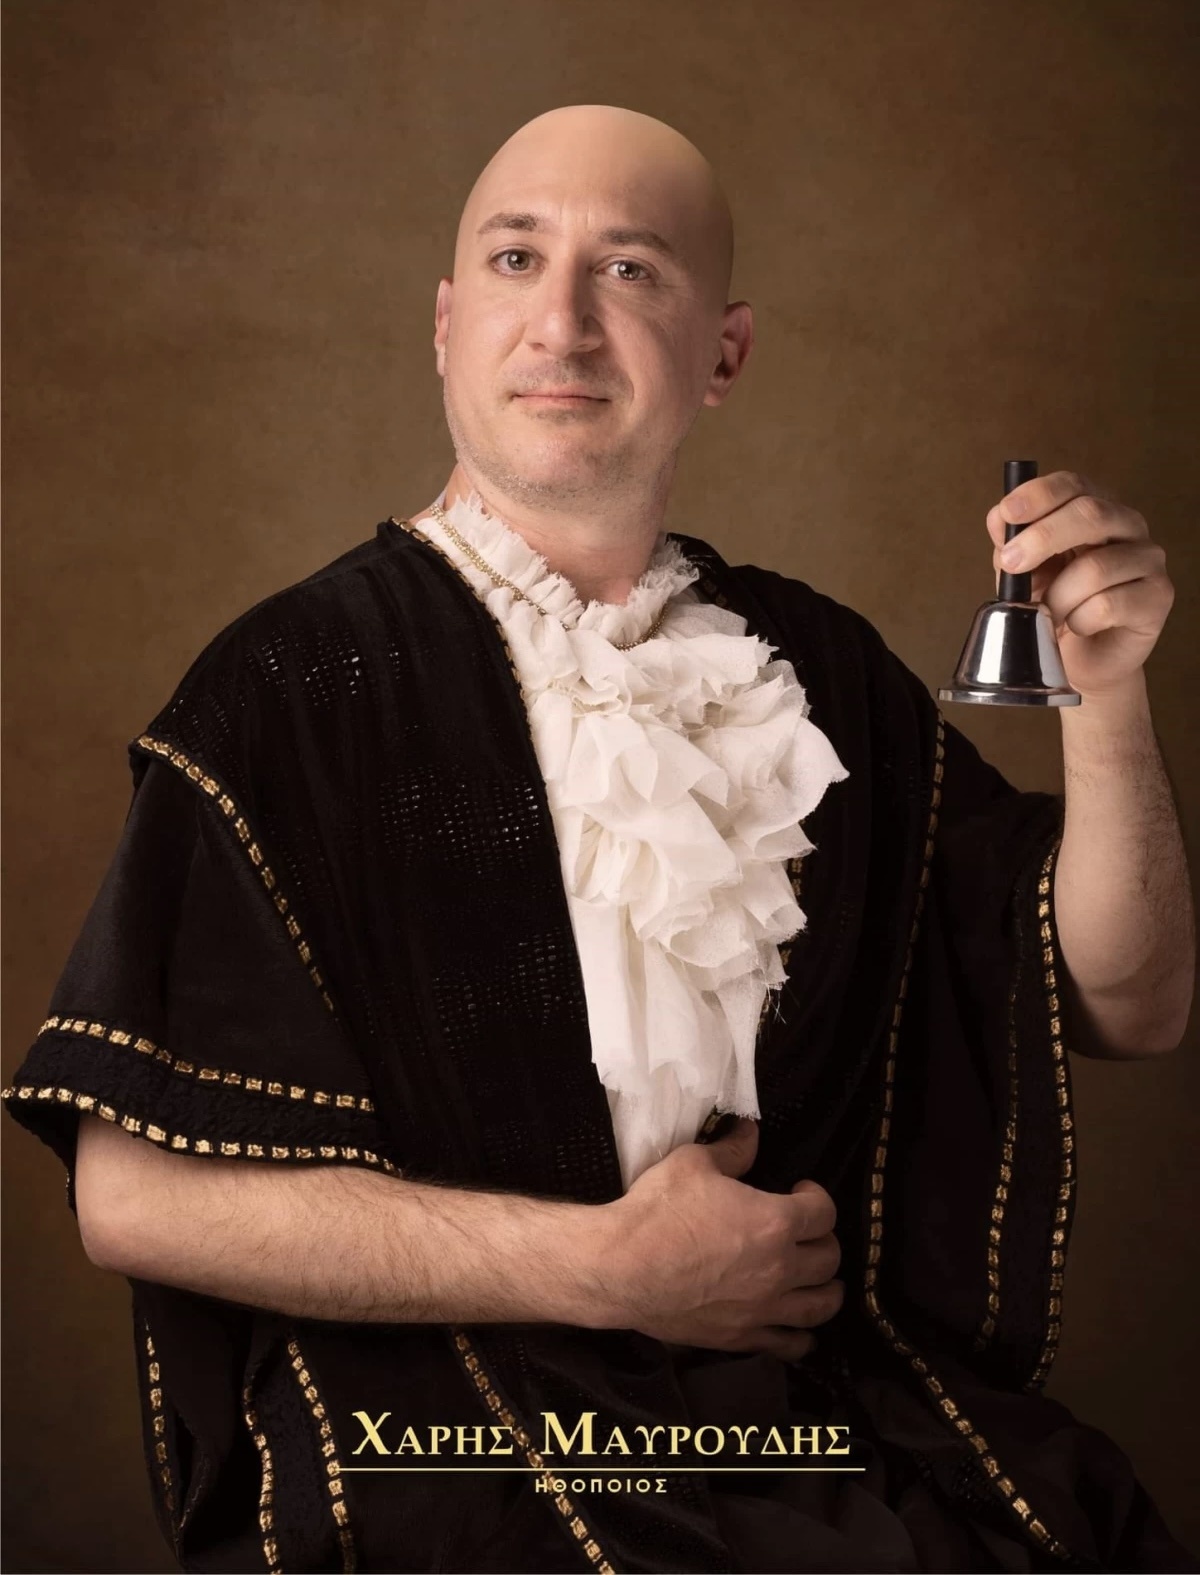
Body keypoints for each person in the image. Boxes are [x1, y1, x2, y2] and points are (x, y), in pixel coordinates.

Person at [3, 103, 1194, 1575]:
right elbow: (131, 1195)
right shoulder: (288, 687)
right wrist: (602, 1271)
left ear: (725, 354)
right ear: (448, 325)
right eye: (516, 260)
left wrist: (1110, 698)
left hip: (803, 1432)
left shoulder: (820, 676)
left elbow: (1129, 1002)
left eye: (629, 270)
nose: (560, 322)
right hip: (438, 1449)